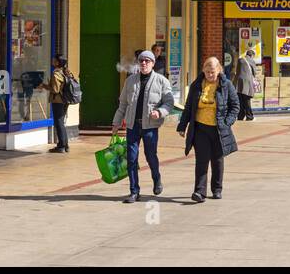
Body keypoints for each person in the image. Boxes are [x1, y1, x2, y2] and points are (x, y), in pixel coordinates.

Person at [111, 50, 175, 203]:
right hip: (132, 125)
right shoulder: (130, 81)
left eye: (147, 61)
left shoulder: (161, 81)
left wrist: (160, 112)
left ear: (153, 63)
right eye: (141, 61)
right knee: (131, 158)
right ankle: (134, 191)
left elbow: (169, 102)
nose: (144, 63)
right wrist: (116, 122)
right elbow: (123, 104)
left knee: (150, 155)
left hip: (150, 126)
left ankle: (156, 177)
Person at [176, 57, 240, 202]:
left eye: (212, 72)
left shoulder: (226, 85)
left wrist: (227, 123)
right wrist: (182, 126)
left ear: (218, 70)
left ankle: (217, 189)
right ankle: (199, 192)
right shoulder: (197, 85)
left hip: (218, 128)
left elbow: (235, 106)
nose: (210, 75)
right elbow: (188, 107)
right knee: (201, 160)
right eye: (207, 72)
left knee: (217, 160)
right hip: (200, 128)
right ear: (203, 71)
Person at [37, 54, 70, 152]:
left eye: (54, 60)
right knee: (61, 123)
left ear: (58, 62)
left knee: (58, 123)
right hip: (65, 100)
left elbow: (55, 90)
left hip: (58, 101)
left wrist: (44, 86)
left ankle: (61, 146)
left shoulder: (56, 74)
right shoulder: (65, 72)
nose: (52, 61)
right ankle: (65, 145)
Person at [234, 48, 259, 121]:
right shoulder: (251, 61)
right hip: (247, 83)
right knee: (247, 99)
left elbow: (237, 71)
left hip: (239, 83)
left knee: (240, 100)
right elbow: (254, 73)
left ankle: (240, 116)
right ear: (252, 55)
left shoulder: (240, 60)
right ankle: (249, 116)